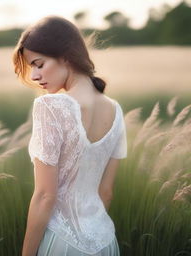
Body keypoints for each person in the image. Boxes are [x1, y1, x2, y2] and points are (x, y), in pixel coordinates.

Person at [13, 15, 127, 256]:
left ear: (65, 56)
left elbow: (45, 195)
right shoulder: (115, 110)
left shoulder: (51, 106)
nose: (34, 76)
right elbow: (106, 192)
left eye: (39, 64)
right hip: (105, 242)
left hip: (62, 243)